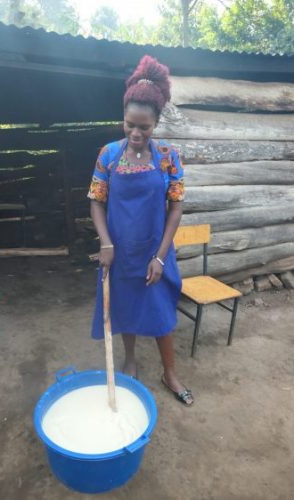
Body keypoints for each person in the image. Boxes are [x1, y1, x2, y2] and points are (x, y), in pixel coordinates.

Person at [87, 55, 194, 406]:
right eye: (130, 124)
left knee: (162, 312)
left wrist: (160, 258)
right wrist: (105, 243)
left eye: (144, 127)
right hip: (119, 252)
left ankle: (170, 373)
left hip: (155, 250)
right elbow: (96, 201)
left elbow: (175, 207)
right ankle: (130, 360)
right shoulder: (108, 155)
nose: (135, 133)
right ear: (124, 119)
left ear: (156, 124)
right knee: (125, 308)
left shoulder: (167, 157)